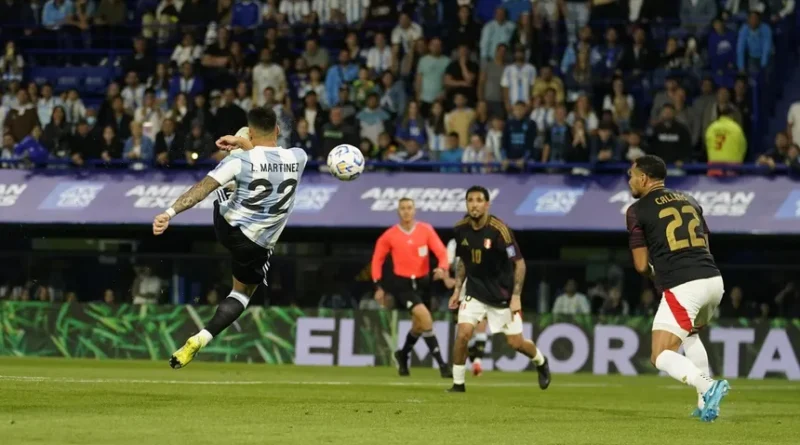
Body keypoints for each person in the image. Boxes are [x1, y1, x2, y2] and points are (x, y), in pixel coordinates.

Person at [153, 107, 308, 369]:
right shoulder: (299, 157)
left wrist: (169, 213)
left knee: (226, 186)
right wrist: (243, 143)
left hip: (226, 227)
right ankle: (203, 337)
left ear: (249, 131)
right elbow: (267, 158)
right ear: (278, 130)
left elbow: (201, 190)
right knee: (242, 295)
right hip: (257, 245)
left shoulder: (238, 160)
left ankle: (198, 339)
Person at [625, 155, 729, 422]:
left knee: (659, 354)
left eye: (632, 175)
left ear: (644, 178)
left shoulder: (637, 210)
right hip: (713, 280)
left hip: (683, 285)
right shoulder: (689, 200)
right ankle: (706, 403)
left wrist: (654, 273)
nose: (629, 180)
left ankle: (708, 386)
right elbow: (705, 241)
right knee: (690, 335)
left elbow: (639, 265)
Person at [447, 186, 551, 392]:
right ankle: (458, 384)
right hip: (474, 292)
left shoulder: (499, 230)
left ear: (487, 204)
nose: (474, 204)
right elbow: (463, 262)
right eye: (470, 200)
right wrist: (457, 289)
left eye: (478, 200)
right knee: (463, 334)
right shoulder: (460, 229)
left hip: (501, 295)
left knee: (516, 343)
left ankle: (541, 361)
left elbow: (520, 264)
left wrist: (516, 297)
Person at [371, 198, 452, 378]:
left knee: (418, 326)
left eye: (409, 208)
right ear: (398, 212)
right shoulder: (389, 235)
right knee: (426, 318)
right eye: (403, 208)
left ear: (415, 210)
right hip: (403, 285)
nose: (406, 211)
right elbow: (377, 260)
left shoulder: (425, 230)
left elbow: (441, 252)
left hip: (424, 283)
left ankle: (403, 354)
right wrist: (379, 286)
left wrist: (443, 268)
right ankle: (442, 364)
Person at [446, 236, 488, 377]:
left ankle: (477, 362)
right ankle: (475, 361)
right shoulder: (454, 243)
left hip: (480, 290)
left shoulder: (486, 240)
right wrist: (447, 279)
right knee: (465, 333)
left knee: (479, 326)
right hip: (462, 293)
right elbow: (447, 267)